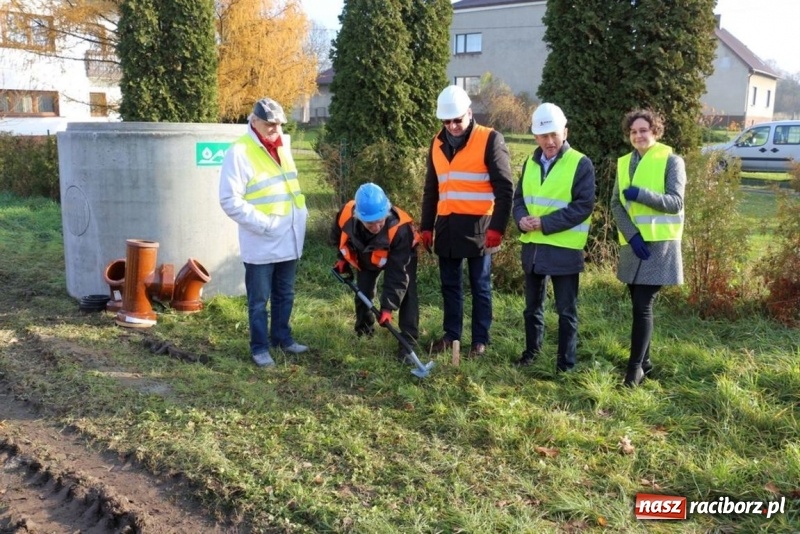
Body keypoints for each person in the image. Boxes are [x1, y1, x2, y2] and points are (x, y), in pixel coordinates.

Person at [420, 85, 514, 357]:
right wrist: (426, 226)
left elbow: (505, 189)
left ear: (469, 113)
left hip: (480, 228)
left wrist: (497, 228)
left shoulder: (490, 139)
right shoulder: (437, 143)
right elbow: (431, 189)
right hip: (446, 227)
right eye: (446, 121)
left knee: (480, 287)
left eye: (457, 120)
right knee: (450, 286)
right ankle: (452, 336)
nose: (452, 126)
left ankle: (479, 341)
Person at [218, 97, 309, 368]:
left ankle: (283, 338)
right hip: (261, 239)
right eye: (270, 124)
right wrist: (264, 224)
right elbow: (229, 200)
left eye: (279, 124)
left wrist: (299, 217)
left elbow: (289, 187)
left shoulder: (282, 146)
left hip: (289, 236)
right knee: (259, 301)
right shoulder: (239, 151)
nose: (275, 129)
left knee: (285, 294)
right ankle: (259, 348)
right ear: (254, 121)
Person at [512, 103, 596, 373]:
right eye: (543, 136)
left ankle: (565, 365)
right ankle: (531, 354)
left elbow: (583, 207)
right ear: (535, 137)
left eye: (554, 135)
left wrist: (544, 223)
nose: (549, 141)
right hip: (534, 247)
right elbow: (519, 199)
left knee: (566, 312)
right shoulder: (530, 163)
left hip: (564, 248)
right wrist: (521, 219)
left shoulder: (581, 163)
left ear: (565, 133)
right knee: (531, 308)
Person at [611, 109, 685, 387]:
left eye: (643, 130)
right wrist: (631, 236)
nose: (638, 135)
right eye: (633, 131)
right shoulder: (624, 163)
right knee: (638, 305)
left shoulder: (672, 161)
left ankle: (634, 371)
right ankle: (646, 362)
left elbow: (675, 202)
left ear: (655, 131)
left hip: (660, 246)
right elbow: (615, 204)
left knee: (643, 306)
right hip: (635, 245)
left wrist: (641, 195)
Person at [331, 183, 420, 360]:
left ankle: (408, 343)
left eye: (380, 220)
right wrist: (342, 259)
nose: (377, 226)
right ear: (358, 217)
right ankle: (364, 331)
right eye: (371, 223)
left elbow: (398, 274)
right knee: (363, 292)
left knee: (407, 294)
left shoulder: (400, 229)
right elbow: (337, 236)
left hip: (401, 257)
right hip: (368, 253)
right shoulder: (346, 214)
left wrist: (387, 307)